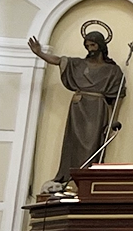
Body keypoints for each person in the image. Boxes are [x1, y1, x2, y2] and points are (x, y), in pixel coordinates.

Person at [28, 21, 127, 190]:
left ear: (101, 45)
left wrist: (112, 120)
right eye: (87, 45)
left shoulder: (113, 71)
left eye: (93, 44)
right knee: (72, 144)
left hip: (97, 109)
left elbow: (118, 97)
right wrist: (40, 54)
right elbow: (58, 60)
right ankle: (68, 176)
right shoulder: (78, 64)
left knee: (92, 144)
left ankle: (87, 177)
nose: (90, 48)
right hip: (78, 108)